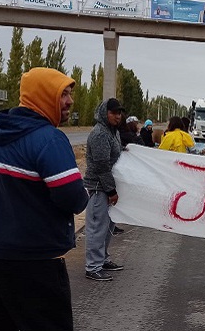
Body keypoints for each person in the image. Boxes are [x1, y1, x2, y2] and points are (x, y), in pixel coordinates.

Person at [0, 67, 89, 330]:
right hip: (33, 259)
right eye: (63, 94)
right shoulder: (49, 139)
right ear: (44, 96)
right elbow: (72, 195)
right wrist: (85, 193)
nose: (70, 101)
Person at [84, 98, 126, 281]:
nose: (118, 116)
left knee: (108, 226)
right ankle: (92, 267)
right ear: (105, 113)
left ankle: (102, 259)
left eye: (120, 113)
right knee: (97, 227)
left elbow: (115, 154)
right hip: (99, 187)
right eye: (114, 112)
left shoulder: (113, 132)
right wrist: (110, 191)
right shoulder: (100, 133)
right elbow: (102, 166)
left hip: (108, 186)